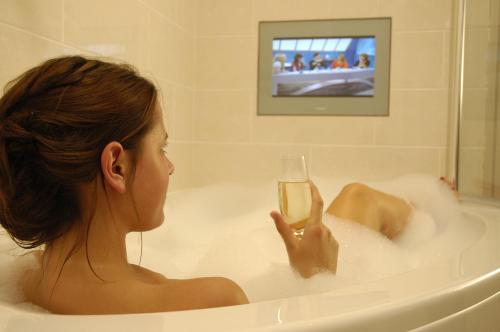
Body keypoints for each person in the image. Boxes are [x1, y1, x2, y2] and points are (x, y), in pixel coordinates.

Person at [0, 56, 338, 314]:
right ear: (116, 167)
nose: (171, 166)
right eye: (161, 148)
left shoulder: (25, 281)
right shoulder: (214, 302)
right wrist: (315, 279)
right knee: (359, 200)